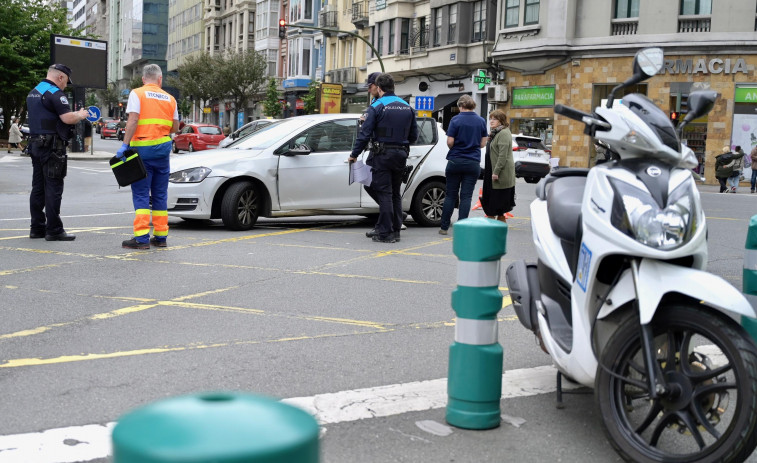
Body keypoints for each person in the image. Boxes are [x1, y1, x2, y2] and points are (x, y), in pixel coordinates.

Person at [349, 73, 417, 243]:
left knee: (385, 193)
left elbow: (364, 134)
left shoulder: (377, 106)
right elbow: (414, 136)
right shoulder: (407, 106)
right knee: (395, 194)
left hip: (382, 155)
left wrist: (354, 154)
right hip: (401, 154)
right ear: (393, 87)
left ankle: (385, 233)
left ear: (379, 88)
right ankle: (395, 231)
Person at [118, 64, 180, 249]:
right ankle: (161, 237)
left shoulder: (137, 93)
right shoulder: (170, 99)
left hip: (142, 152)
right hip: (162, 152)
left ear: (144, 79)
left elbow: (133, 120)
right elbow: (175, 127)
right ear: (160, 80)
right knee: (160, 194)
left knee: (141, 195)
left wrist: (124, 145)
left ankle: (142, 239)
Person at [26, 64, 89, 241]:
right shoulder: (55, 93)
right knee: (53, 188)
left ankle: (37, 228)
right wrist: (81, 114)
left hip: (36, 145)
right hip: (52, 147)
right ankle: (54, 230)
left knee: (38, 188)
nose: (65, 86)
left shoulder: (34, 92)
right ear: (60, 77)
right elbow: (67, 118)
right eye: (66, 82)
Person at [438, 95, 487, 235]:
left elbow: (449, 142)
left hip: (455, 161)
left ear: (460, 106)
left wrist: (456, 148)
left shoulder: (455, 119)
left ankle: (444, 227)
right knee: (466, 196)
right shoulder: (481, 121)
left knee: (450, 196)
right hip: (473, 162)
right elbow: (483, 143)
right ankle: (462, 228)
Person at [480, 109, 515, 222]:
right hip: (491, 169)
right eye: (490, 119)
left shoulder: (504, 133)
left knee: (497, 202)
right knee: (492, 199)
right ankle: (495, 223)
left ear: (501, 121)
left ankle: (495, 226)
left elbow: (502, 156)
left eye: (494, 119)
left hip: (500, 172)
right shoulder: (495, 133)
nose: (491, 121)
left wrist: (496, 172)